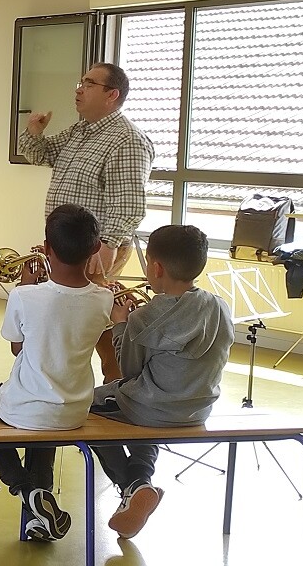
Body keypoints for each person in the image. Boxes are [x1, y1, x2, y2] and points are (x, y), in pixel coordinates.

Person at [0, 204, 111, 542]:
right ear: (94, 248)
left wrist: (27, 285)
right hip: (74, 411)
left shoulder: (24, 295)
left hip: (25, 406)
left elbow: (17, 348)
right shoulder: (104, 299)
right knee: (43, 425)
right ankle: (39, 521)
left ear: (46, 249)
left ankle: (25, 489)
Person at [90, 225, 233, 538]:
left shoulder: (144, 317)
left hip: (152, 408)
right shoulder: (220, 306)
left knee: (84, 411)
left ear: (155, 268)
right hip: (198, 409)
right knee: (149, 400)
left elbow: (128, 371)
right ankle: (139, 484)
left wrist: (121, 324)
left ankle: (134, 484)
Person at [20, 62, 155, 380]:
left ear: (112, 95)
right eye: (80, 82)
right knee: (72, 319)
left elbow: (130, 203)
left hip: (94, 247)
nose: (79, 89)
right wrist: (35, 132)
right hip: (66, 245)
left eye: (89, 83)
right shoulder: (80, 131)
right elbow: (40, 154)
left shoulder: (127, 140)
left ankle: (115, 390)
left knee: (99, 323)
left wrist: (107, 244)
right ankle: (62, 384)